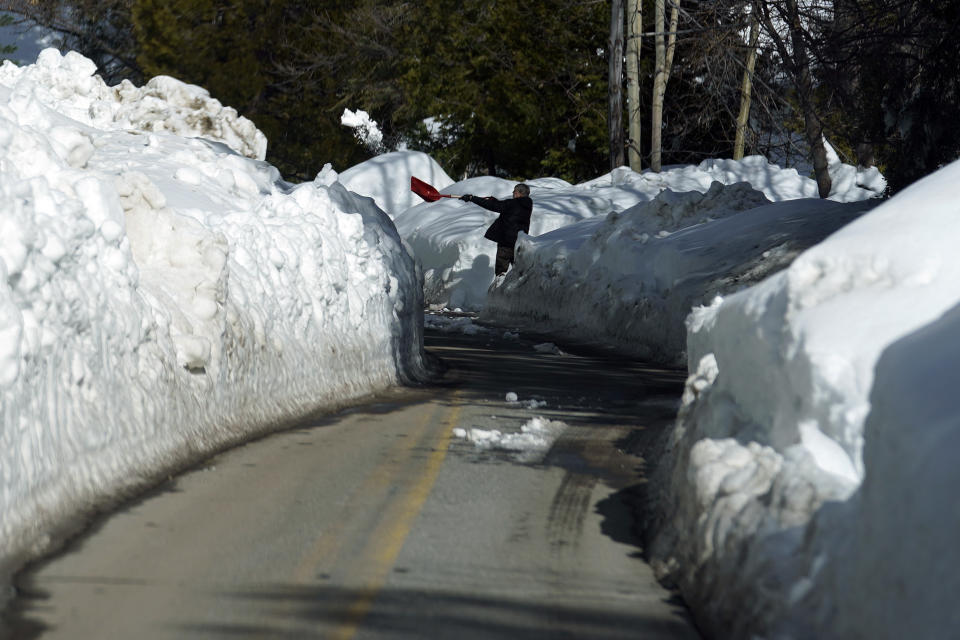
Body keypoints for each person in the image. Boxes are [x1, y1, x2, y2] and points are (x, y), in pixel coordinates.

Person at [460, 183, 532, 276]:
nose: (513, 192)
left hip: (506, 241)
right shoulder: (527, 204)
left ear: (519, 193)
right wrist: (495, 201)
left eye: (514, 191)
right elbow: (506, 207)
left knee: (501, 271)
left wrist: (472, 198)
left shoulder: (513, 203)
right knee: (518, 270)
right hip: (519, 242)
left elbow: (493, 206)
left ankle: (499, 285)